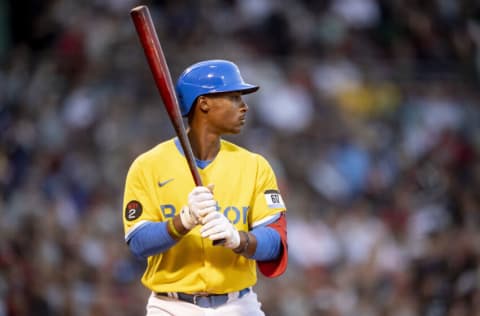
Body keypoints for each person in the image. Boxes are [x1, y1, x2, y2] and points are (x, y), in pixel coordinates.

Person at [122, 59, 288, 316]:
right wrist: (183, 221)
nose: (244, 107)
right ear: (204, 103)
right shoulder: (148, 166)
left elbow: (275, 242)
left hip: (238, 305)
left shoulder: (255, 165)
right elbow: (138, 242)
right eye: (234, 97)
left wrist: (238, 239)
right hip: (171, 306)